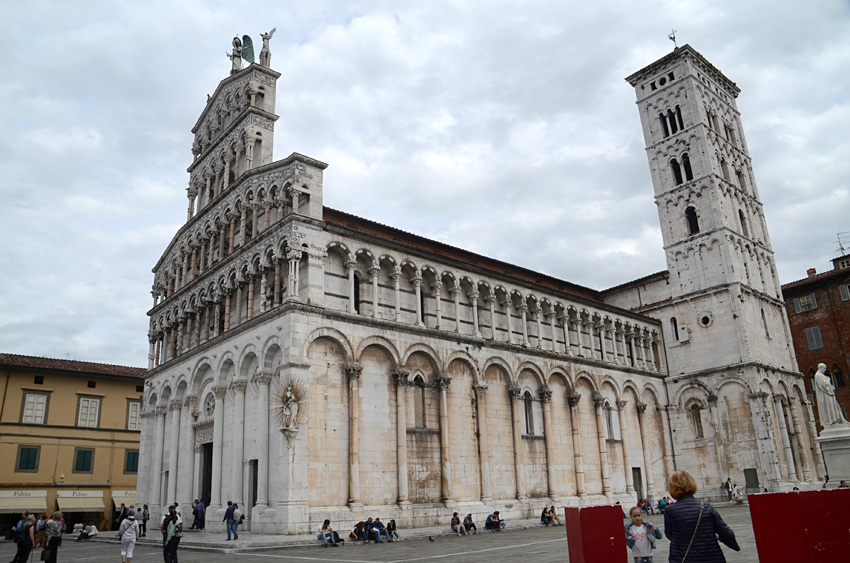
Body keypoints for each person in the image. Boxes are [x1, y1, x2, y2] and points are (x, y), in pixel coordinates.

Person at [664, 470, 739, 563]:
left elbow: (669, 535)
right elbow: (726, 532)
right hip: (711, 558)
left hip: (683, 558)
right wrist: (734, 545)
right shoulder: (706, 507)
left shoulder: (670, 510)